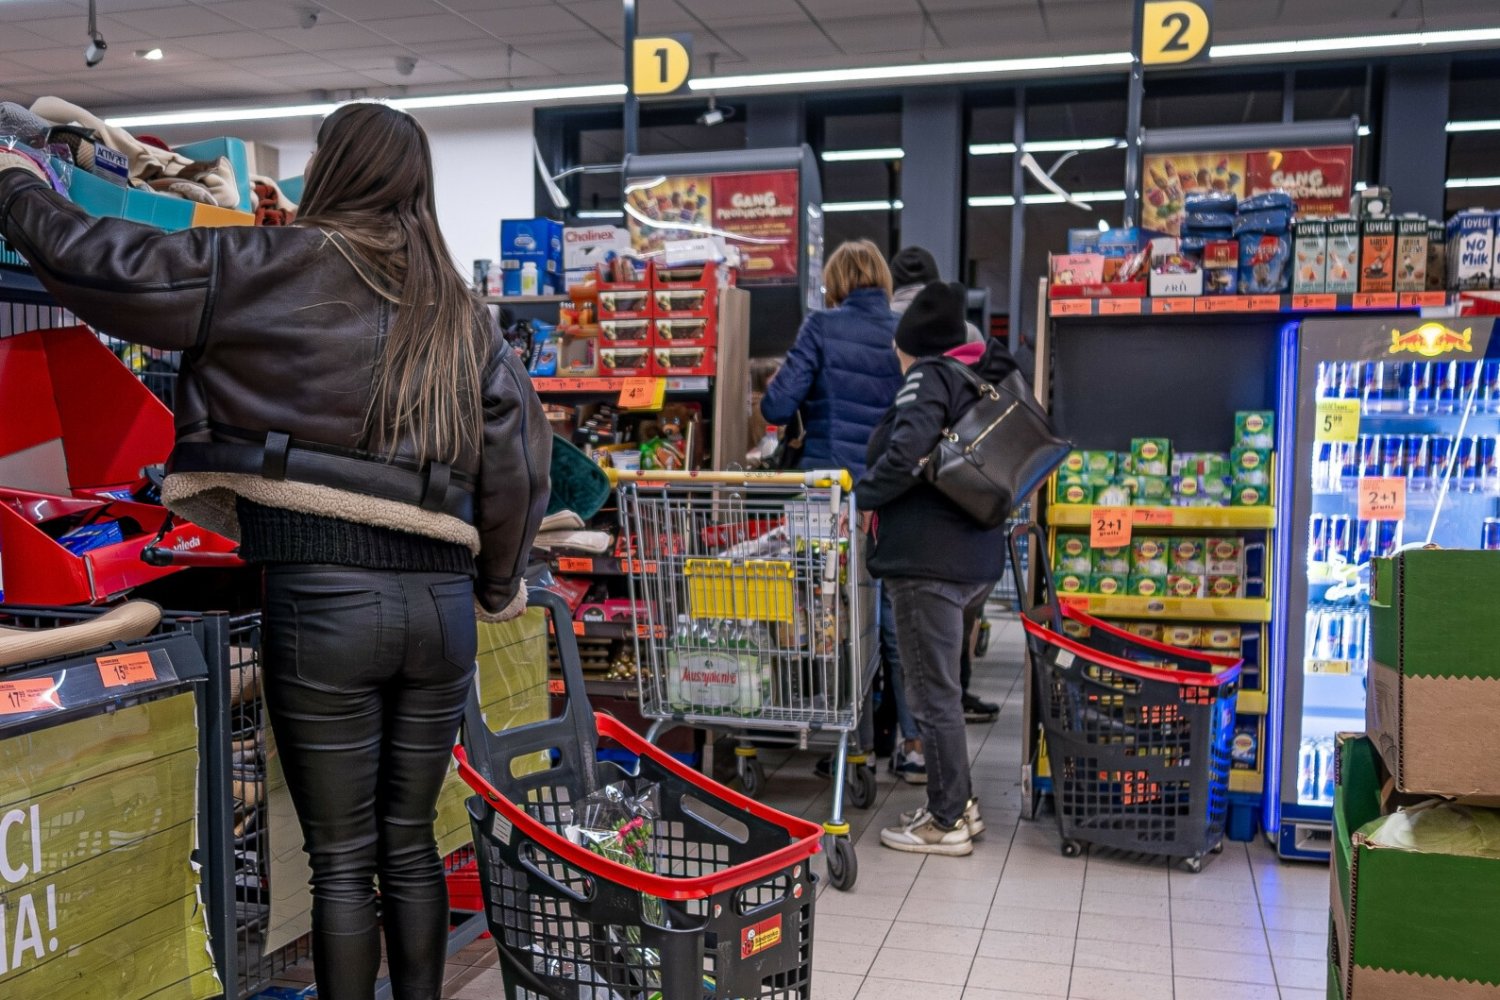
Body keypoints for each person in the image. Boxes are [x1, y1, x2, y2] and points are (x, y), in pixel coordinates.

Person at [0, 103, 550, 1000]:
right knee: (408, 842)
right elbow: (520, 462)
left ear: (332, 170)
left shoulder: (268, 266)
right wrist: (494, 587)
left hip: (324, 594)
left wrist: (16, 186)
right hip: (441, 609)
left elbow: (105, 264)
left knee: (339, 859)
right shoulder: (464, 315)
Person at [856, 281, 1018, 856]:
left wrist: (859, 496)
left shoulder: (928, 377)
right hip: (972, 556)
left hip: (928, 562)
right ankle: (961, 804)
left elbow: (905, 454)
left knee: (932, 695)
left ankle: (947, 819)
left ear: (910, 345)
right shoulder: (979, 378)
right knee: (941, 688)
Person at [759, 241, 923, 779]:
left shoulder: (821, 326)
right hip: (889, 498)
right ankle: (912, 743)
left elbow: (778, 406)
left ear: (836, 283)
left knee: (832, 620)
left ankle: (843, 737)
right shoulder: (905, 333)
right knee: (891, 625)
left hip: (827, 499)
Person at [889, 245, 1000, 724]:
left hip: (908, 515)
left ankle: (901, 729)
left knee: (903, 635)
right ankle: (958, 692)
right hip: (966, 502)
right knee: (952, 628)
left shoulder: (892, 329)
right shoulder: (968, 332)